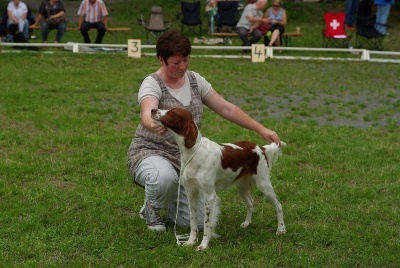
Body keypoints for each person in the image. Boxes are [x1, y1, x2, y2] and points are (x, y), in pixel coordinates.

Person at [127, 30, 281, 231]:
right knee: (163, 177)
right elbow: (147, 112)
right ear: (161, 60)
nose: (183, 66)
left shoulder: (195, 81)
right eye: (176, 63)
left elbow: (226, 108)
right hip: (152, 152)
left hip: (188, 158)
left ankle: (174, 199)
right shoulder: (152, 83)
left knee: (199, 223)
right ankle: (152, 207)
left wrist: (261, 129)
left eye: (186, 60)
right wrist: (152, 124)